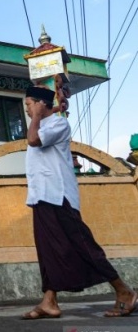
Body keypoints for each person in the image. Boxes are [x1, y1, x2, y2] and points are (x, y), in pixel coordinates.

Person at [22, 86, 137, 319]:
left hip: (58, 195)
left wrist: (40, 113)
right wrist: (48, 108)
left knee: (82, 244)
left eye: (29, 104)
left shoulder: (58, 125)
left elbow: (34, 140)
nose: (27, 110)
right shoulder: (46, 121)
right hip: (41, 196)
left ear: (40, 104)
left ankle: (124, 291)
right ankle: (49, 301)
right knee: (48, 250)